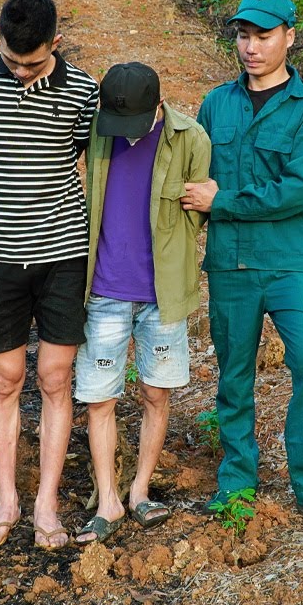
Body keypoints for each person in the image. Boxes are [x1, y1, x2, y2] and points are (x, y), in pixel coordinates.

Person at [180, 0, 303, 517]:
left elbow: (300, 190)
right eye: (243, 35)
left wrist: (225, 201)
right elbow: (197, 182)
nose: (251, 47)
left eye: (263, 35)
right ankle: (237, 482)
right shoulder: (216, 105)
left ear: (290, 36)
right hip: (231, 265)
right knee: (233, 376)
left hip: (291, 265)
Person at [0, 0, 99, 550]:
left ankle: (47, 504)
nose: (21, 73)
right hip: (2, 256)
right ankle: (7, 499)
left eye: (33, 63)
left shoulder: (84, 91)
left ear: (55, 44)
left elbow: (89, 160)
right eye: (12, 61)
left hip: (63, 252)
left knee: (55, 378)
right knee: (6, 378)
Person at [71, 62, 211, 545]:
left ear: (159, 105)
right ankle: (107, 498)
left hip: (162, 296)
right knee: (99, 398)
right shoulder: (96, 128)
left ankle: (140, 491)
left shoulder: (191, 138)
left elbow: (201, 211)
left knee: (156, 392)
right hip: (105, 290)